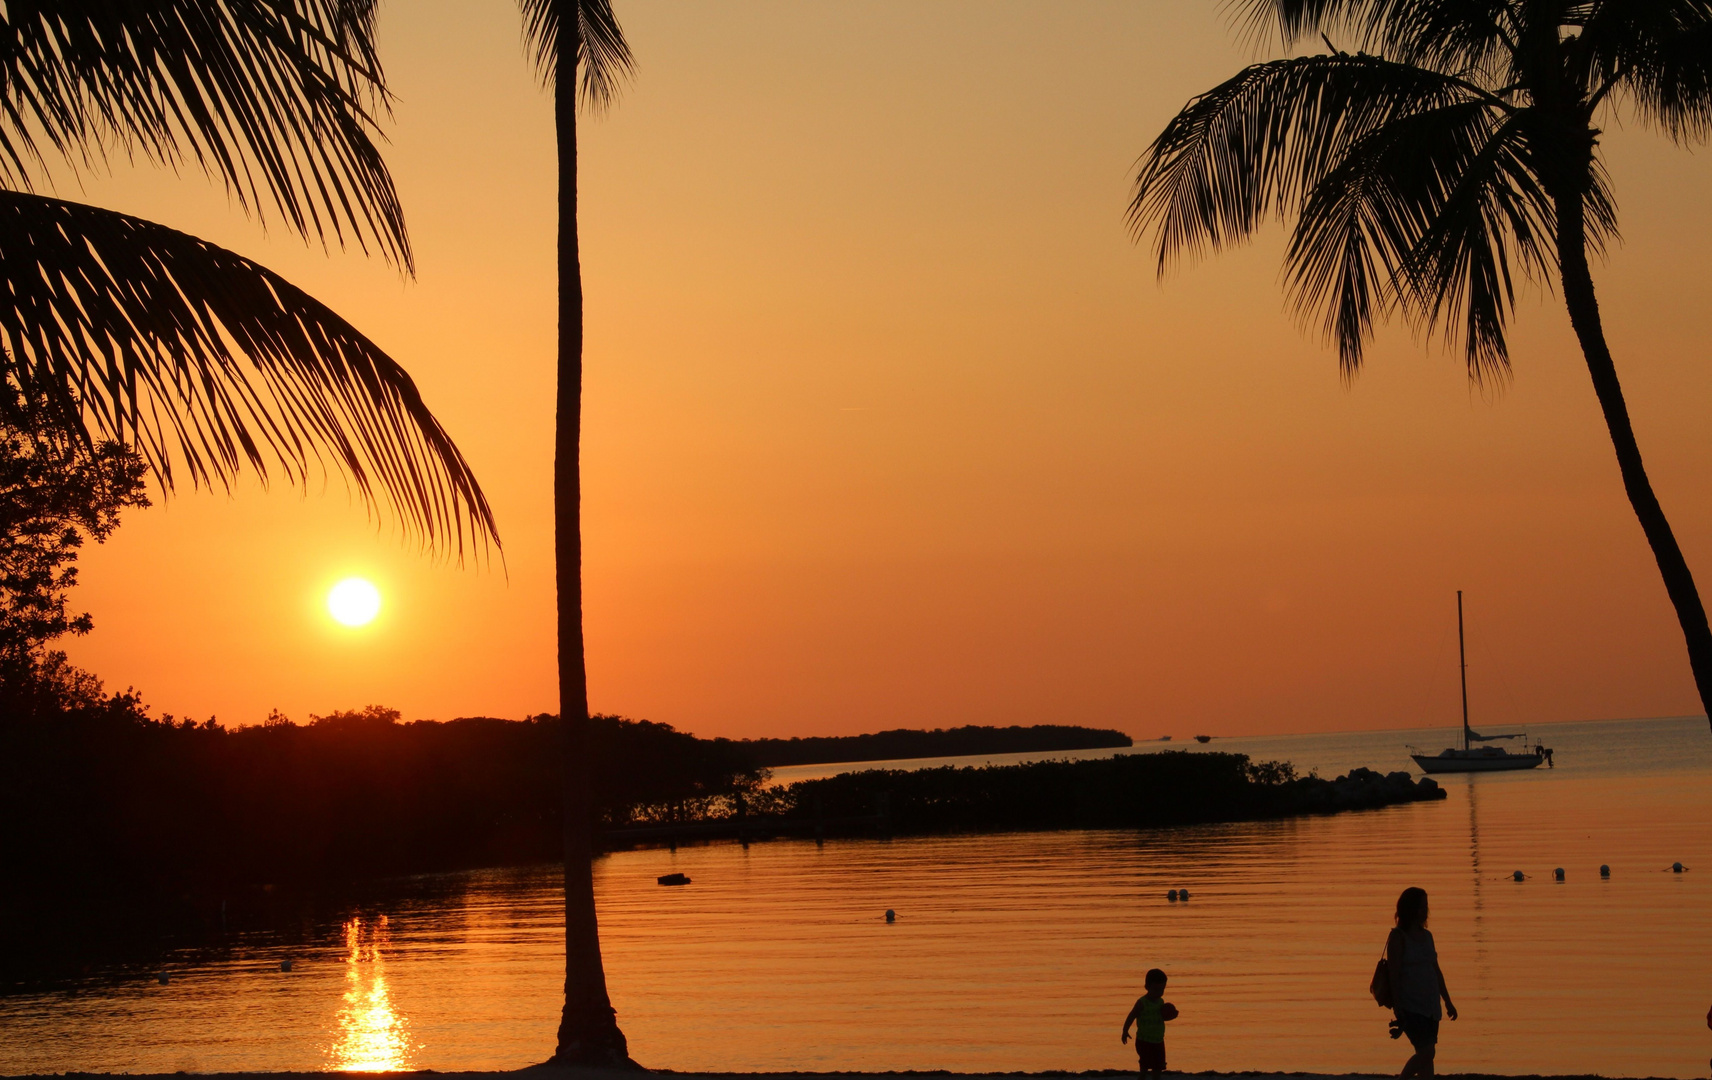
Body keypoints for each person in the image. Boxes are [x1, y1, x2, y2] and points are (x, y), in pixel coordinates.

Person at [1387, 887, 1457, 1077]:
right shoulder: (1397, 937)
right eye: (1422, 906)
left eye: (1426, 906)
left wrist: (1448, 1001)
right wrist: (1398, 1008)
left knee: (1426, 1058)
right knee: (1427, 1052)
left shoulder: (1427, 936)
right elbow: (1393, 975)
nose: (1426, 910)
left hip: (1431, 1007)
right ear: (1411, 909)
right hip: (1411, 1007)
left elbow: (1436, 971)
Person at [1120, 967, 1179, 1079]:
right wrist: (1125, 1030)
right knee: (1145, 1066)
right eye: (1156, 990)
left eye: (1162, 990)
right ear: (1147, 987)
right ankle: (1142, 1076)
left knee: (1158, 1066)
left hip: (1158, 1040)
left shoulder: (1161, 1002)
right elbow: (1131, 1015)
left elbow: (1161, 1017)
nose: (1159, 993)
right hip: (1144, 1040)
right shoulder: (1142, 1003)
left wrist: (1172, 1015)